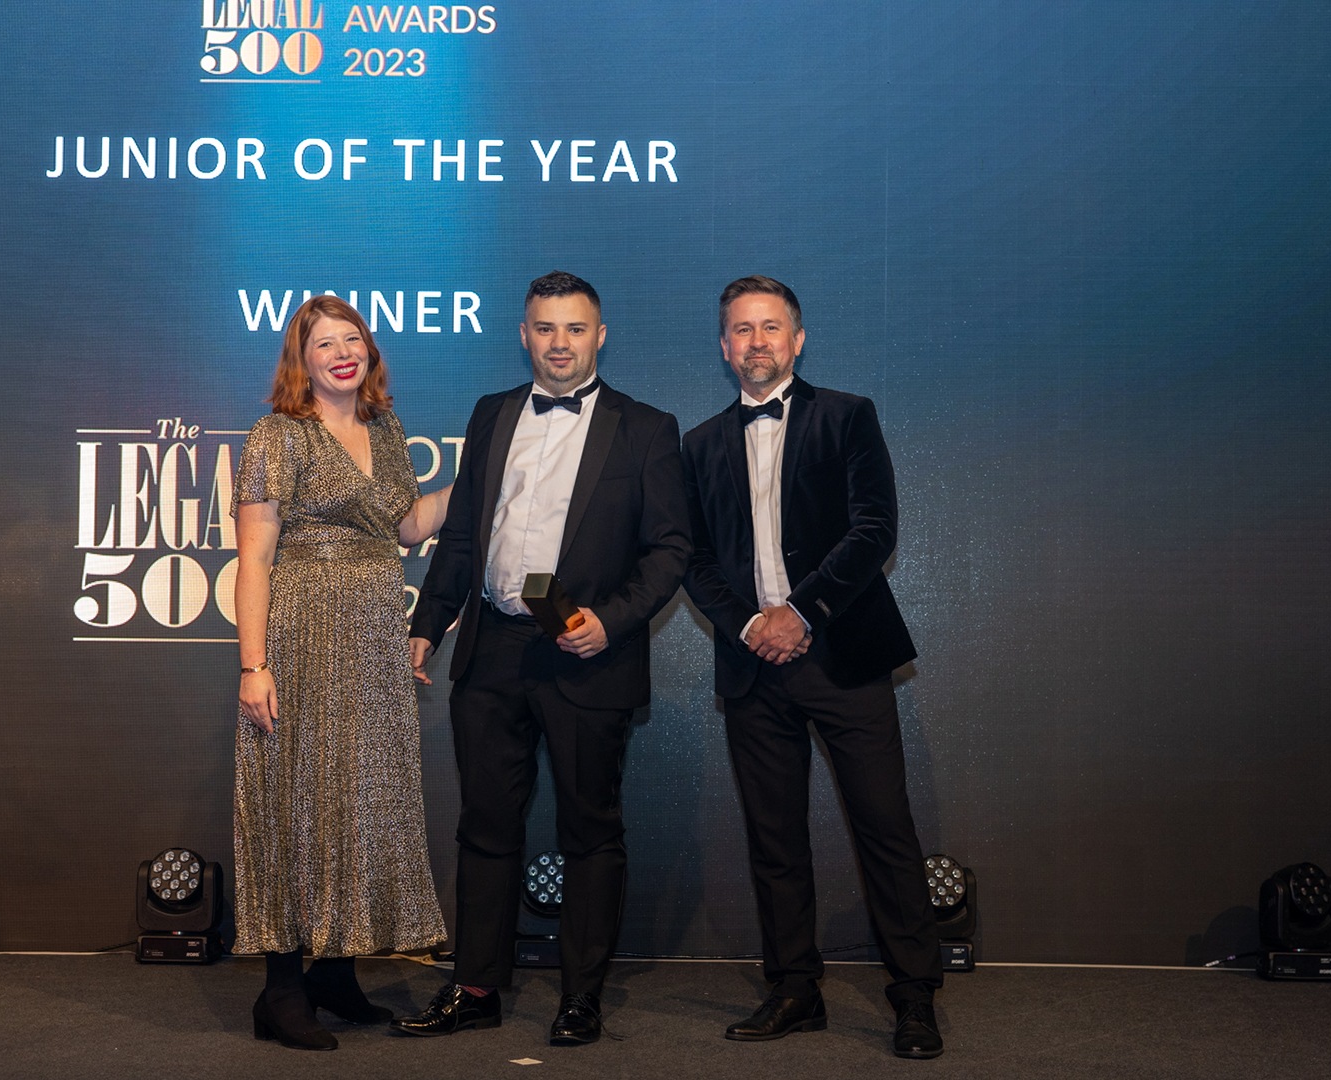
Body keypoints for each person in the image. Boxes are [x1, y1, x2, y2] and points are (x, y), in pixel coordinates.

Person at [393, 271, 690, 1047]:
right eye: (546, 328)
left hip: (585, 653)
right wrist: (431, 621)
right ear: (524, 334)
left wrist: (610, 623)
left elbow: (670, 550)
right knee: (485, 825)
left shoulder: (647, 428)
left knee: (591, 830)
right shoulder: (491, 413)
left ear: (600, 336)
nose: (560, 344)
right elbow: (464, 531)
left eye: (575, 329)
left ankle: (580, 997)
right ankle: (476, 988)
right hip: (493, 648)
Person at [681, 275, 946, 1059]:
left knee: (884, 829)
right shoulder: (699, 444)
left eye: (771, 327)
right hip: (752, 666)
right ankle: (794, 988)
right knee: (775, 839)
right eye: (741, 329)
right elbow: (693, 559)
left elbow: (874, 529)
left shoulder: (848, 416)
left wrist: (800, 614)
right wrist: (749, 626)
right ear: (724, 346)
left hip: (844, 657)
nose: (756, 341)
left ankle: (914, 996)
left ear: (797, 340)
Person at [233, 294, 451, 1051]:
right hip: (299, 632)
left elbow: (406, 526)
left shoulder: (385, 428)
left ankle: (334, 974)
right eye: (324, 343)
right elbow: (254, 559)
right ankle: (280, 990)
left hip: (372, 636)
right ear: (302, 359)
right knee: (292, 798)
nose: (342, 353)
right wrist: (253, 665)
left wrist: (484, 478)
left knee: (359, 798)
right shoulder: (277, 434)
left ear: (369, 350)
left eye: (351, 338)